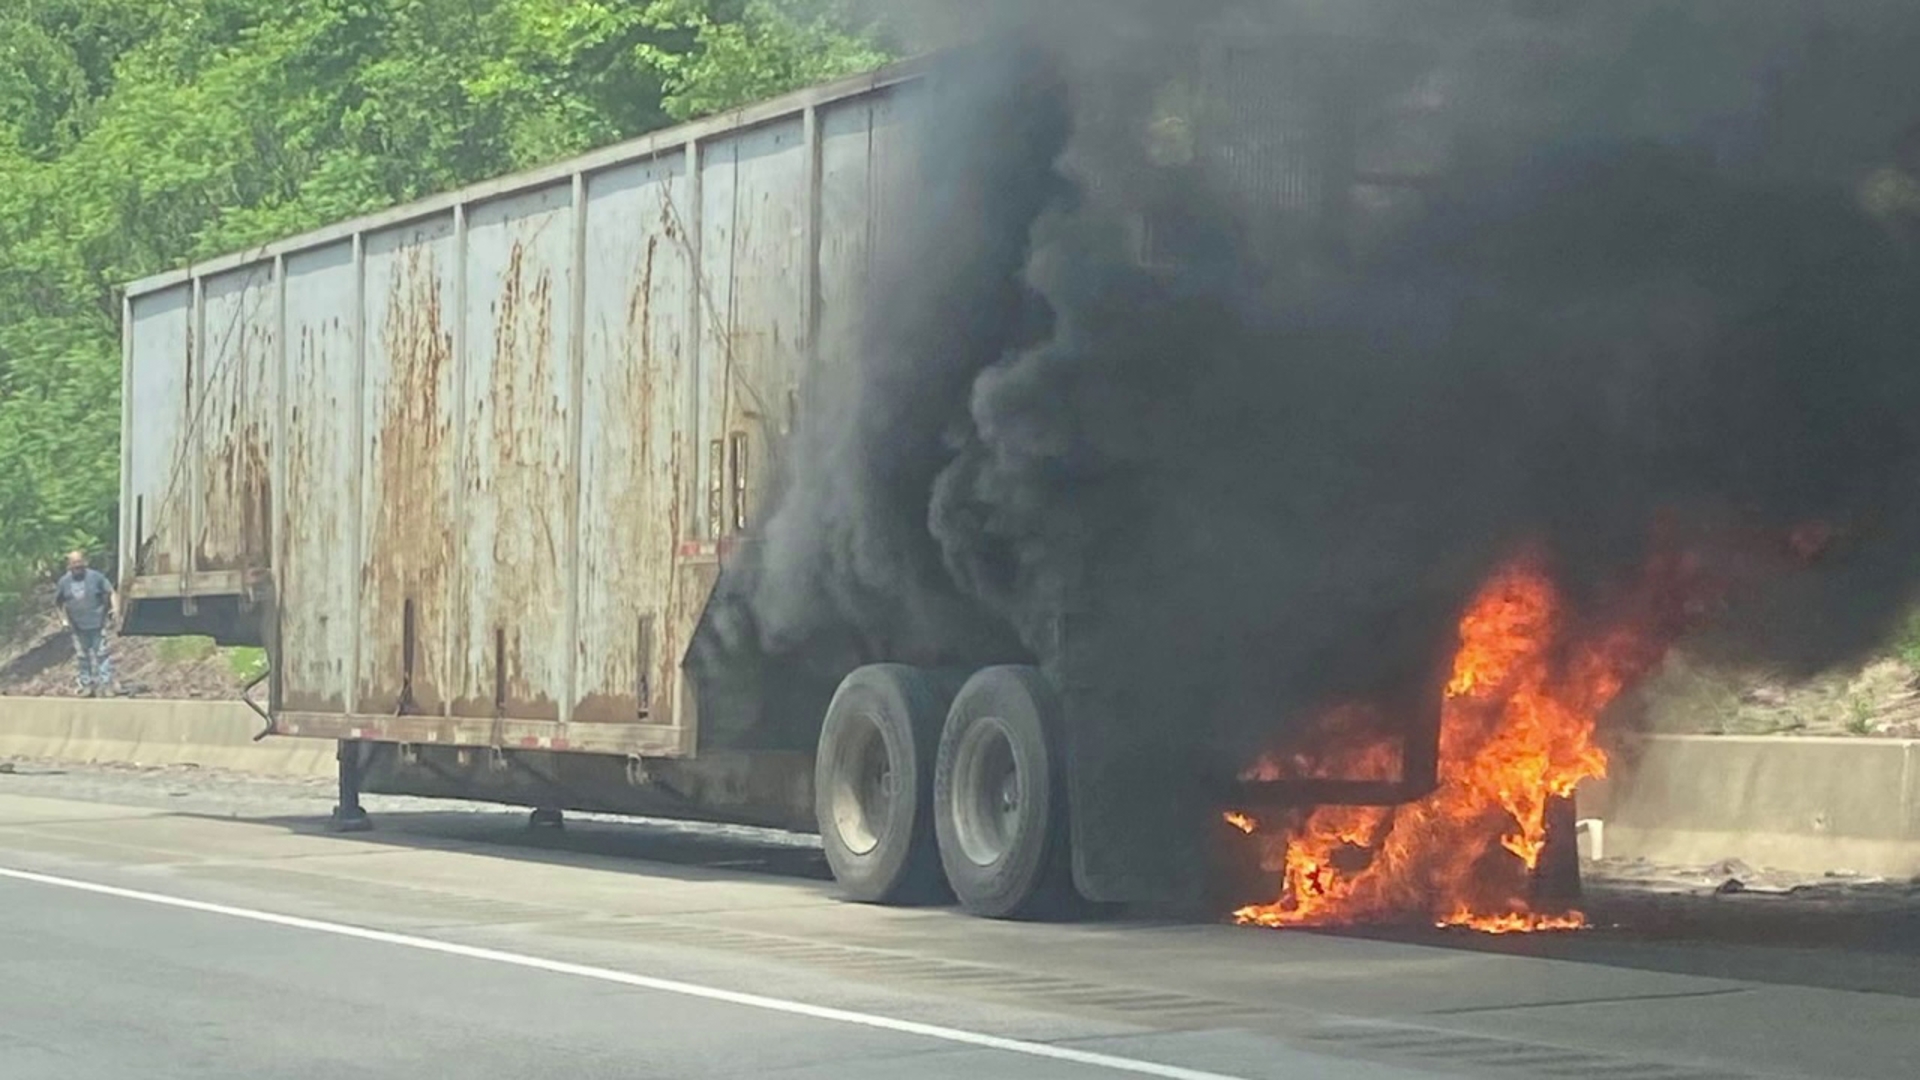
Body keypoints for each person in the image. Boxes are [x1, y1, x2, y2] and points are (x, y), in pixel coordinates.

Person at [56, 550, 118, 697]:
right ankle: (87, 686)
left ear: (85, 562)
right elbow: (59, 603)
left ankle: (106, 685)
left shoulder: (95, 577)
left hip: (97, 623)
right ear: (69, 565)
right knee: (82, 657)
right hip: (77, 626)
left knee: (102, 655)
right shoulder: (64, 582)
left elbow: (111, 592)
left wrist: (115, 608)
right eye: (74, 563)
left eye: (79, 562)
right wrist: (63, 620)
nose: (77, 566)